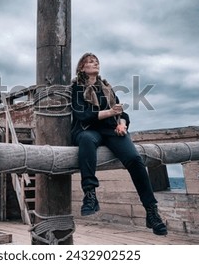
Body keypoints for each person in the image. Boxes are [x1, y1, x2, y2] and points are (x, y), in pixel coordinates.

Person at [71, 52, 167, 236]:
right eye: (90, 61)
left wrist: (122, 124)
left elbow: (121, 113)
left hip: (111, 129)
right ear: (82, 68)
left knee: (134, 159)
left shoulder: (106, 87)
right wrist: (110, 112)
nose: (95, 63)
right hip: (88, 129)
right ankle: (90, 195)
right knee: (86, 140)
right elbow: (82, 115)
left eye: (96, 61)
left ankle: (151, 211)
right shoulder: (76, 88)